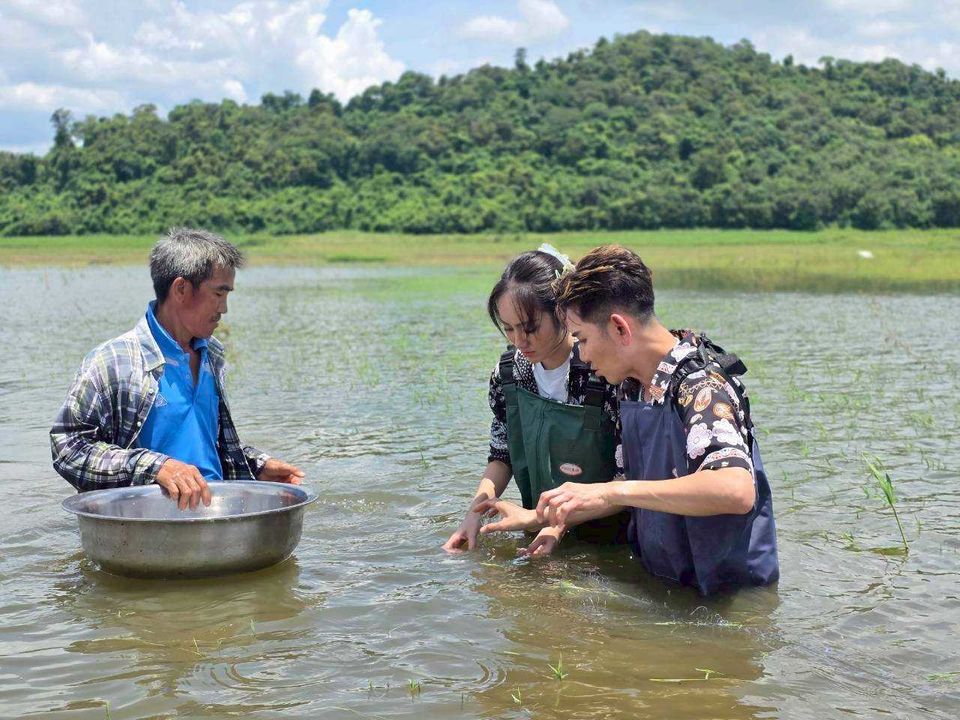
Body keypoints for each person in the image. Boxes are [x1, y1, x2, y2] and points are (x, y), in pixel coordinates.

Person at [537, 244, 779, 595]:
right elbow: (625, 486)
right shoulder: (631, 386)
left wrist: (612, 490)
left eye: (583, 339)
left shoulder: (701, 386)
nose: (583, 355)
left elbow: (734, 489)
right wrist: (541, 518)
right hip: (666, 585)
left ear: (620, 328)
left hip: (727, 598)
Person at [51, 227, 304, 509]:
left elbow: (204, 447)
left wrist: (255, 466)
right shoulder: (112, 361)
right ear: (181, 289)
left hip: (214, 519)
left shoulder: (212, 355)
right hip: (144, 527)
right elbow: (68, 448)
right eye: (218, 294)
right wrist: (156, 467)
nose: (224, 308)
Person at [442, 245, 628, 556]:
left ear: (562, 312)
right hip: (535, 525)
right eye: (509, 329)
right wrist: (473, 515)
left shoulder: (602, 371)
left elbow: (627, 476)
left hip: (609, 536)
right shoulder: (510, 374)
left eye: (530, 328)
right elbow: (502, 453)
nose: (519, 341)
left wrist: (557, 524)